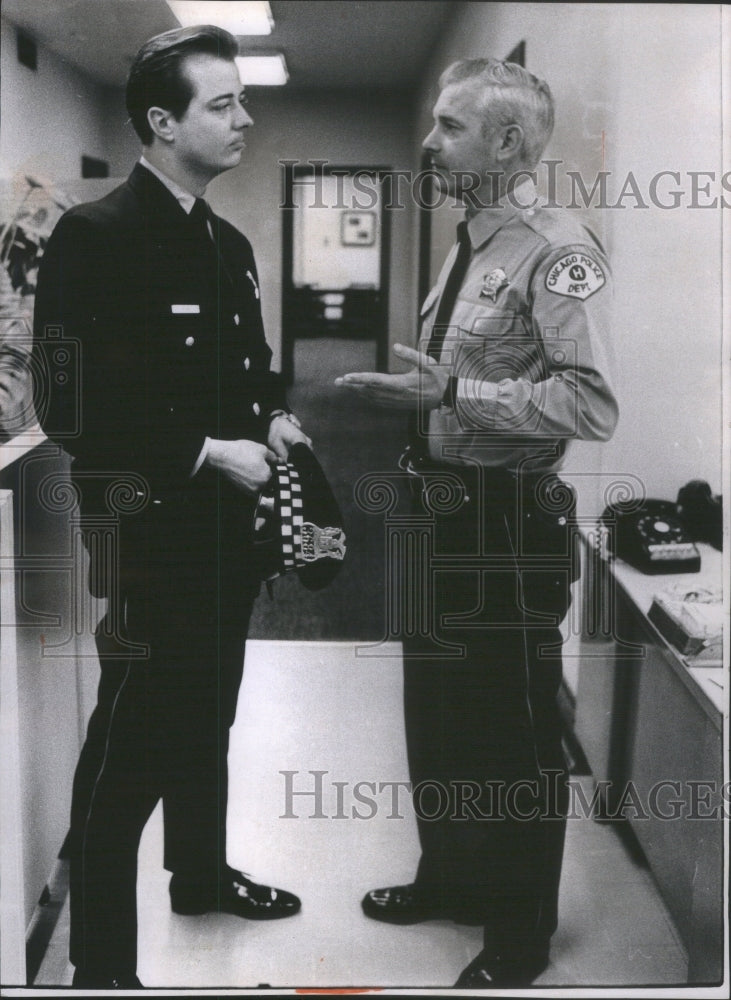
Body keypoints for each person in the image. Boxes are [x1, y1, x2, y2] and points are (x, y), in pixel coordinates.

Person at [33, 25, 311, 989]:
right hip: (149, 534)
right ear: (162, 121)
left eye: (244, 100)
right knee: (135, 742)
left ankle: (197, 873)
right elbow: (63, 407)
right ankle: (100, 967)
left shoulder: (224, 241)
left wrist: (272, 421)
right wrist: (201, 451)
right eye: (223, 103)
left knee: (210, 713)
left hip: (226, 534)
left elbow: (252, 373)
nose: (245, 118)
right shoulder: (96, 236)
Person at [336, 58, 618, 988]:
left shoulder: (556, 246)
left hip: (506, 522)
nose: (428, 142)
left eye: (449, 126)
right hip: (439, 507)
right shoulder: (469, 239)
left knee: (510, 733)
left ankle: (518, 932)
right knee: (438, 711)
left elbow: (588, 406)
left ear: (505, 142)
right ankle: (450, 876)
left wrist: (454, 388)